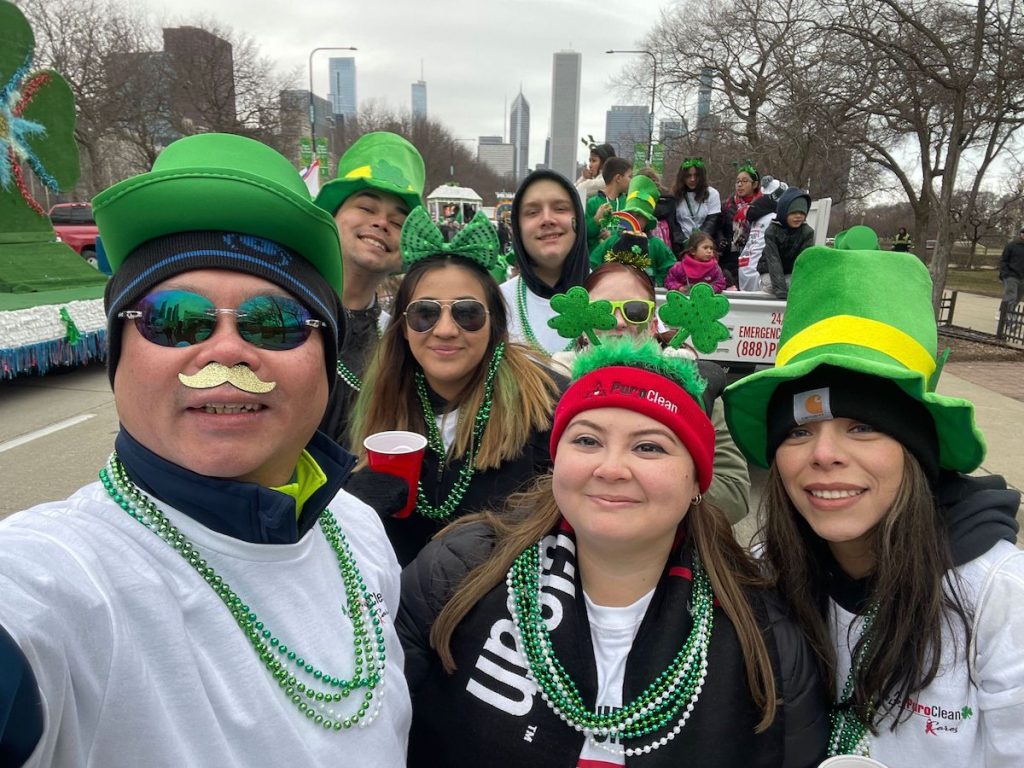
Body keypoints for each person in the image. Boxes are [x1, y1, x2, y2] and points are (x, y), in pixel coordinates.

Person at [0, 134, 410, 766]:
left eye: (274, 323)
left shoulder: (358, 533)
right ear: (117, 358)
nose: (226, 351)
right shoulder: (62, 580)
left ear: (325, 366)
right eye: (175, 319)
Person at [398, 337, 828, 767]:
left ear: (697, 481)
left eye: (649, 447)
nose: (611, 468)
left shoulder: (766, 636)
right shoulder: (458, 572)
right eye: (587, 441)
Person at [724, 243, 1024, 767]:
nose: (823, 455)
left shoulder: (998, 598)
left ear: (916, 452)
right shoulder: (764, 572)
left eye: (861, 427)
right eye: (798, 431)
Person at [351, 208, 562, 566]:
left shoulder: (550, 407)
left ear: (494, 324)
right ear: (403, 327)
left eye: (467, 313)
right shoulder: (377, 401)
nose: (446, 329)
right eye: (425, 313)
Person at [552, 262, 749, 523]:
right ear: (581, 321)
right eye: (602, 312)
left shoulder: (695, 385)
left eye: (634, 311)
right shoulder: (553, 386)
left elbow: (735, 493)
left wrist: (660, 499)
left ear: (653, 323)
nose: (619, 322)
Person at [314, 131, 426, 446]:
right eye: (366, 207)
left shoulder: (400, 341)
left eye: (399, 221)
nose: (381, 223)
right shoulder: (277, 315)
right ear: (332, 216)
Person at [501, 169, 590, 356]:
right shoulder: (496, 304)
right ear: (518, 228)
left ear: (579, 221)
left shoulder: (614, 298)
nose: (547, 220)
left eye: (560, 208)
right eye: (532, 212)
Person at [589, 174, 677, 286]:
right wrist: (604, 281)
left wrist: (657, 283)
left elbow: (670, 268)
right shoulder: (612, 241)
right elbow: (594, 263)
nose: (634, 219)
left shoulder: (656, 245)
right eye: (631, 214)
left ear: (647, 219)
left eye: (639, 216)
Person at [756, 188, 814, 299]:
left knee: (803, 283)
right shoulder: (772, 231)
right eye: (794, 212)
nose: (798, 216)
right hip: (769, 270)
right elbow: (774, 260)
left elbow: (804, 261)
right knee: (771, 285)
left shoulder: (807, 232)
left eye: (802, 213)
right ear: (784, 212)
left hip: (790, 272)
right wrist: (781, 291)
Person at [666, 157, 723, 254]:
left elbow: (712, 222)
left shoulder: (712, 194)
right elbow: (673, 223)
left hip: (704, 246)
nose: (692, 179)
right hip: (680, 247)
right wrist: (683, 241)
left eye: (696, 176)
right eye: (688, 176)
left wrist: (697, 242)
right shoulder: (674, 195)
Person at [720, 162, 763, 285]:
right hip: (730, 257)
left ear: (755, 184)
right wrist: (722, 240)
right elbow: (719, 228)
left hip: (753, 257)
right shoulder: (727, 205)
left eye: (744, 181)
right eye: (738, 181)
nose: (739, 184)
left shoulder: (762, 206)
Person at [584, 156, 633, 253]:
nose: (631, 180)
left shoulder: (629, 204)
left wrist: (613, 235)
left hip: (622, 262)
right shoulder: (592, 203)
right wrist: (595, 221)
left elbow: (634, 232)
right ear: (618, 178)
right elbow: (583, 234)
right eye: (630, 177)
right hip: (597, 263)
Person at [998, 226, 1024, 322]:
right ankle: (1008, 318)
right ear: (1021, 234)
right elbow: (1004, 260)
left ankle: (1002, 311)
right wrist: (1005, 273)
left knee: (1017, 297)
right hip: (1011, 275)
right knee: (1011, 296)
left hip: (1022, 277)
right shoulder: (1012, 245)